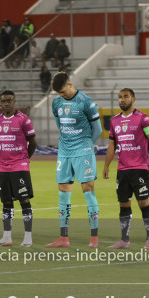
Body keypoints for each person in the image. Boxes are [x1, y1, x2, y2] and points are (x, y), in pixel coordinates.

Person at [46, 72, 103, 248]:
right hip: (64, 151)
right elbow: (60, 124)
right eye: (59, 94)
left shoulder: (86, 102)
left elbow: (98, 129)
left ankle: (94, 238)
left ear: (70, 84)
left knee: (88, 189)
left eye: (63, 92)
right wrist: (69, 141)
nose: (61, 96)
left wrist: (85, 146)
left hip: (83, 150)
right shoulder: (56, 103)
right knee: (63, 191)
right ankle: (64, 237)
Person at [102, 88, 149, 250]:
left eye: (126, 97)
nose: (122, 100)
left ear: (133, 99)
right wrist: (107, 165)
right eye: (120, 97)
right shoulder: (114, 121)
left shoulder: (143, 118)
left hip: (140, 168)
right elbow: (112, 144)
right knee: (123, 205)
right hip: (122, 170)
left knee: (143, 203)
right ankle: (124, 240)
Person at [0, 91, 37, 247]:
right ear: (0, 102)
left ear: (14, 101)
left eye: (9, 100)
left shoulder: (23, 120)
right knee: (6, 202)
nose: (6, 103)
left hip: (19, 166)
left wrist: (24, 159)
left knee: (24, 200)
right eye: (3, 101)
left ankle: (28, 238)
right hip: (3, 167)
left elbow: (33, 142)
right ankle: (6, 237)